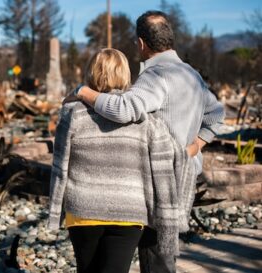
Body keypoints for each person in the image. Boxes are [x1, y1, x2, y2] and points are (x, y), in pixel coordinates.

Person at [69, 10, 225, 273]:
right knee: (163, 256)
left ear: (141, 43)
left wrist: (83, 92)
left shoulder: (155, 76)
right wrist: (195, 146)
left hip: (159, 179)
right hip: (185, 174)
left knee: (155, 259)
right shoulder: (191, 75)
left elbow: (123, 109)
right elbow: (216, 114)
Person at [48, 48, 189, 273]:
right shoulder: (144, 119)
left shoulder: (72, 112)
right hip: (129, 212)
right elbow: (164, 171)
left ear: (90, 73)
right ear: (125, 75)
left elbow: (59, 165)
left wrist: (54, 211)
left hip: (83, 210)